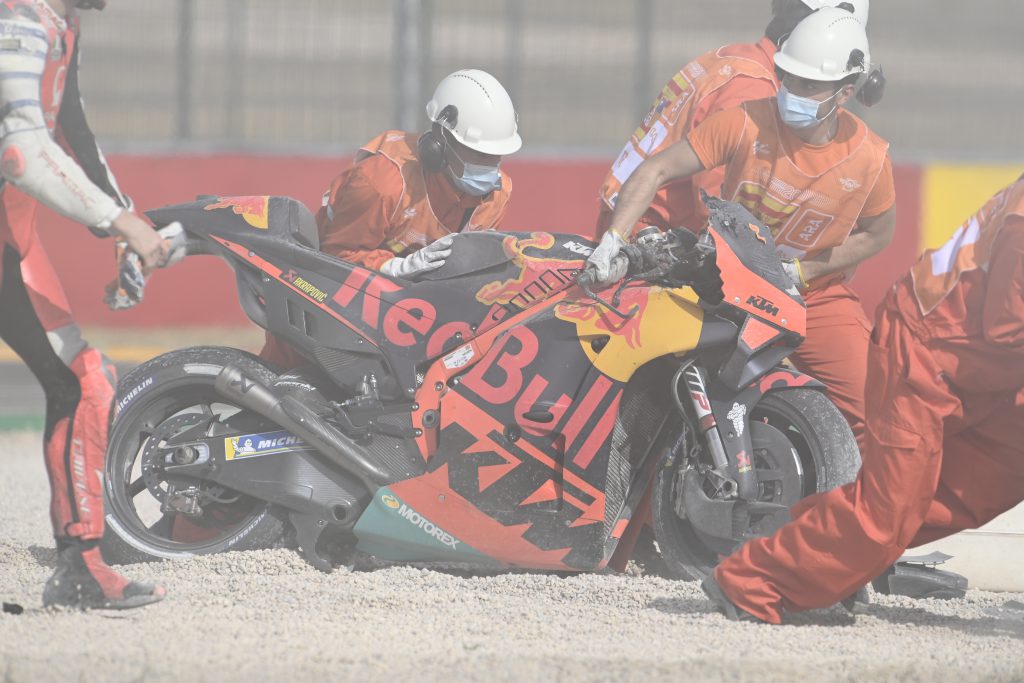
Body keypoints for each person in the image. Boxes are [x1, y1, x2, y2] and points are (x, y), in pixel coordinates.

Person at [705, 176, 1024, 623]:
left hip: (979, 364)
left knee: (990, 480)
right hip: (926, 353)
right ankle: (754, 580)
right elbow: (1011, 328)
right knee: (889, 511)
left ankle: (821, 563)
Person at [586, 7, 894, 450]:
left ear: (844, 93)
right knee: (662, 394)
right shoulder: (746, 114)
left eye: (808, 84)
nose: (791, 91)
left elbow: (879, 234)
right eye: (787, 76)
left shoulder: (871, 158)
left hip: (812, 292)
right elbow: (655, 171)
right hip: (729, 280)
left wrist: (802, 273)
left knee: (874, 406)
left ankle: (837, 512)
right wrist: (614, 240)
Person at [0, 0, 168, 609]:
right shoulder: (16, 20)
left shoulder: (58, 24)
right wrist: (118, 219)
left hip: (10, 239)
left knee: (85, 381)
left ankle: (81, 566)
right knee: (83, 381)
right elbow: (20, 151)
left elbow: (74, 133)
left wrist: (125, 227)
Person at [261, 68, 522, 368]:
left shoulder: (496, 195)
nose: (490, 168)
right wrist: (399, 267)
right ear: (439, 145)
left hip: (406, 323)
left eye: (496, 157)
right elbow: (333, 259)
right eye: (478, 154)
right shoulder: (381, 183)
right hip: (321, 308)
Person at [596, 0, 871, 236]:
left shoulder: (735, 58)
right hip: (652, 235)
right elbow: (715, 202)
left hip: (629, 219)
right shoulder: (755, 87)